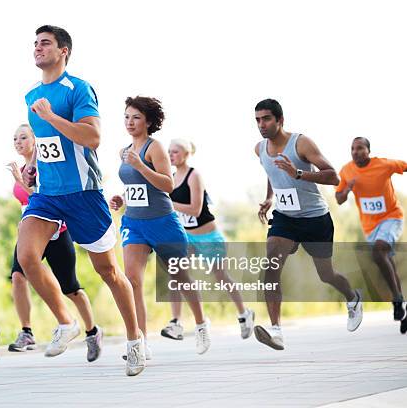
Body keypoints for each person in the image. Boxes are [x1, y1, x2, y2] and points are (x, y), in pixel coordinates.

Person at [19, 25, 145, 376]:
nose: (37, 48)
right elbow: (45, 145)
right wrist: (32, 167)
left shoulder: (77, 89)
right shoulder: (31, 96)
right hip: (47, 195)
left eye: (45, 43)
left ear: (64, 51)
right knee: (26, 255)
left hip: (84, 195)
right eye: (35, 44)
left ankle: (135, 341)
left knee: (108, 272)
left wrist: (51, 117)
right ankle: (66, 321)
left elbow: (92, 137)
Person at [253, 98, 363, 350]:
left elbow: (334, 177)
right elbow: (272, 172)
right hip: (285, 219)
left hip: (315, 219)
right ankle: (276, 330)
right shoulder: (259, 149)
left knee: (326, 275)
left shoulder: (301, 143)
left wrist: (299, 174)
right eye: (258, 120)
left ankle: (352, 297)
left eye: (267, 118)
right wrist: (270, 198)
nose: (262, 124)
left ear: (280, 120)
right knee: (270, 265)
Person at [110, 96, 211, 358]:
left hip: (163, 222)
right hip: (134, 222)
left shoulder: (155, 148)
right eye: (126, 117)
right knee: (132, 281)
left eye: (136, 117)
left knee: (180, 277)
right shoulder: (123, 151)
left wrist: (140, 165)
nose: (130, 122)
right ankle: (140, 342)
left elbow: (168, 185)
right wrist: (122, 197)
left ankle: (201, 324)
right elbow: (136, 185)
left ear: (149, 122)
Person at [7, 123, 103, 361]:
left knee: (70, 288)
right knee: (18, 276)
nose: (18, 142)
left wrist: (21, 182)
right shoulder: (23, 169)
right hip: (30, 233)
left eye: (23, 137)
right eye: (15, 139)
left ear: (35, 140)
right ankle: (27, 332)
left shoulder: (45, 165)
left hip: (56, 230)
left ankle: (92, 331)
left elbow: (41, 197)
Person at [161, 138, 255, 340]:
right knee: (176, 275)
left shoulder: (194, 176)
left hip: (207, 235)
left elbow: (195, 209)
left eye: (175, 151)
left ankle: (244, 313)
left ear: (186, 154)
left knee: (221, 276)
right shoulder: (170, 177)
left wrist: (169, 203)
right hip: (185, 236)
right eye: (169, 151)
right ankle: (176, 322)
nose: (171, 155)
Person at [336, 137, 406, 332]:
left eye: (360, 148)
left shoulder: (383, 164)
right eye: (352, 149)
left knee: (378, 252)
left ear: (368, 151)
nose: (355, 152)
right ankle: (399, 302)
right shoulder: (346, 170)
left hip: (392, 217)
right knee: (385, 260)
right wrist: (347, 190)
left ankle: (397, 298)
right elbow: (339, 199)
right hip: (370, 226)